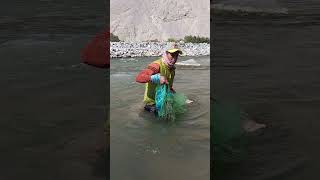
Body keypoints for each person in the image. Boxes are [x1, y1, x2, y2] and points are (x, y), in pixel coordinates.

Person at [136, 44, 182, 113]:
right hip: (151, 104)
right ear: (166, 53)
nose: (175, 58)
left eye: (177, 55)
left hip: (162, 102)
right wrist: (156, 77)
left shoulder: (172, 69)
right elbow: (139, 77)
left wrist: (177, 96)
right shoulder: (156, 65)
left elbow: (168, 87)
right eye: (172, 55)